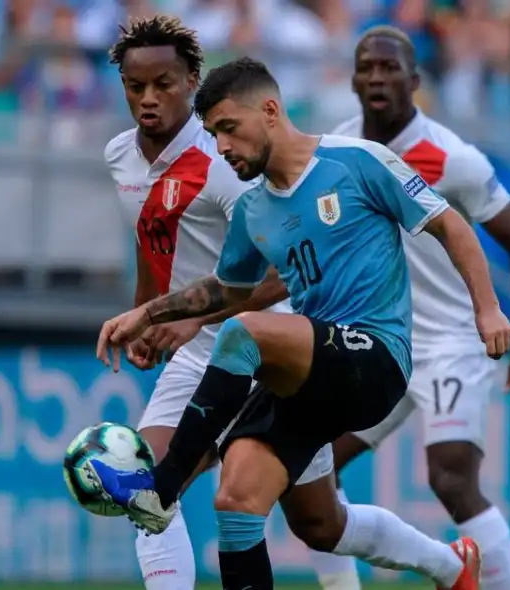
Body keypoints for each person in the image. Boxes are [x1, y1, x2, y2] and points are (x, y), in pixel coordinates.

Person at [87, 56, 510, 590]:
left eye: (228, 129)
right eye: (214, 135)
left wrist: (487, 307)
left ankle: (164, 486)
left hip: (375, 357)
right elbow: (227, 289)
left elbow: (449, 225)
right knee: (244, 503)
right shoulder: (254, 211)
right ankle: (453, 568)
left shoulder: (356, 161)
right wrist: (147, 312)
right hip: (309, 374)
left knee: (246, 333)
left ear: (269, 111)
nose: (221, 147)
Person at [102, 17, 340, 590]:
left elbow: (286, 271)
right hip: (192, 358)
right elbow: (150, 236)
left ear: (191, 80)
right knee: (150, 492)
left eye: (164, 83)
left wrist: (191, 323)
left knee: (322, 525)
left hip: (270, 350)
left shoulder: (224, 161)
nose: (149, 98)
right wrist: (145, 313)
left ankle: (449, 563)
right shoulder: (119, 155)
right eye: (137, 87)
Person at [310, 25, 510, 590]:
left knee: (450, 479)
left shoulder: (450, 158)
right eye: (366, 66)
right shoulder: (336, 149)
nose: (376, 76)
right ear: (351, 78)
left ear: (415, 81)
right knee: (310, 466)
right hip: (380, 342)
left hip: (451, 342)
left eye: (389, 68)